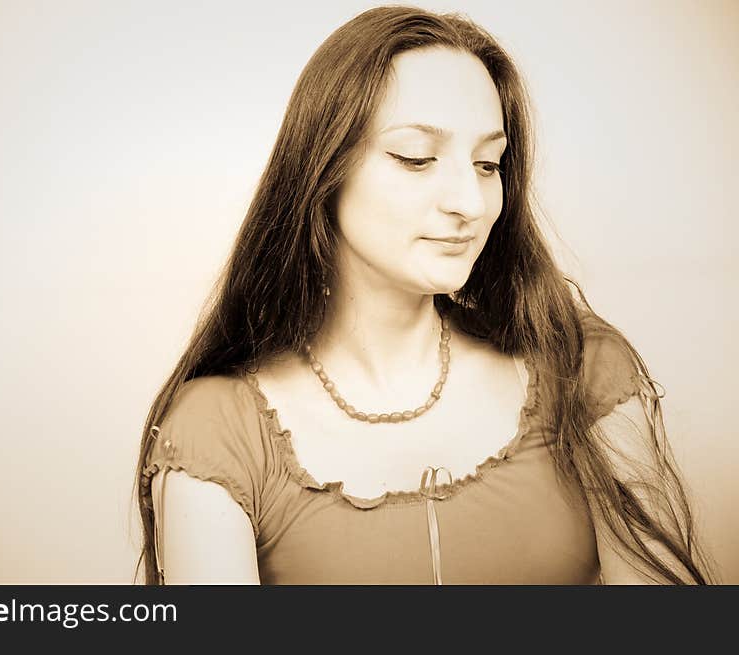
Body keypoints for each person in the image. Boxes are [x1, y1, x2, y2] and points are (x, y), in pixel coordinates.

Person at [134, 6, 718, 585]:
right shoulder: (218, 432)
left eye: (489, 164)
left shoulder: (580, 366)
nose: (470, 201)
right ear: (322, 168)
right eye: (417, 158)